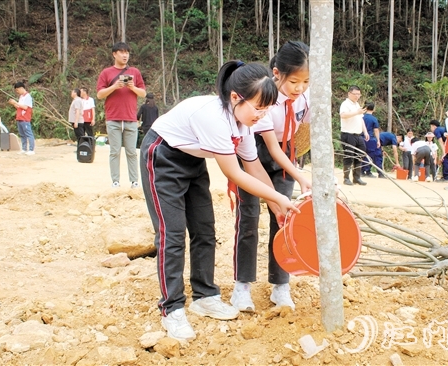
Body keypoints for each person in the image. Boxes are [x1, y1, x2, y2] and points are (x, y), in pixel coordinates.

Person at [140, 60, 300, 342]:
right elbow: (235, 172)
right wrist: (275, 197)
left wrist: (278, 207)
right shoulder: (213, 116)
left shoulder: (244, 123)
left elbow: (255, 168)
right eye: (258, 109)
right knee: (172, 234)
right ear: (236, 97)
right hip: (162, 157)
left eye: (266, 110)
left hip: (193, 161)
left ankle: (204, 296)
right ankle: (172, 309)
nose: (262, 117)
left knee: (205, 230)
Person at [231, 41, 312, 313]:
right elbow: (271, 149)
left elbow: (305, 134)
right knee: (249, 218)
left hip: (287, 156)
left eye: (305, 81)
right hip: (256, 152)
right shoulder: (264, 99)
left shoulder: (306, 98)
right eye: (294, 82)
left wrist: (299, 170)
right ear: (277, 73)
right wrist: (299, 176)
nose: (299, 88)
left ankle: (281, 285)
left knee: (284, 218)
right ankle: (242, 286)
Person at [97, 42, 146, 189]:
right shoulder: (106, 73)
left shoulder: (135, 72)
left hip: (131, 118)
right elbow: (99, 94)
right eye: (122, 52)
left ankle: (134, 181)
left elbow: (143, 93)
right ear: (114, 54)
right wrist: (114, 86)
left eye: (127, 52)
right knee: (115, 151)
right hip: (113, 118)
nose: (125, 55)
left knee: (132, 152)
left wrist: (132, 87)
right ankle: (115, 181)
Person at [340, 85, 369, 186]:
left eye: (358, 94)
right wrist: (356, 112)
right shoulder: (345, 104)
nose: (357, 96)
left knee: (360, 155)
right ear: (349, 94)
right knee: (349, 156)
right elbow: (343, 115)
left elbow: (361, 119)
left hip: (358, 134)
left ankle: (357, 177)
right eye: (355, 94)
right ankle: (346, 178)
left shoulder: (357, 105)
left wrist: (365, 132)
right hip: (348, 134)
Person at [8, 81, 35, 155]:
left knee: (28, 134)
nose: (17, 92)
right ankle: (24, 148)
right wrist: (13, 103)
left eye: (17, 90)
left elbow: (25, 107)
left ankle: (31, 149)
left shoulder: (28, 96)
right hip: (19, 117)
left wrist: (16, 102)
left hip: (25, 118)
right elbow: (19, 107)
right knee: (22, 134)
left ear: (21, 88)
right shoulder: (21, 97)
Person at [361, 101, 380, 177]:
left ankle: (361, 170)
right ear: (373, 109)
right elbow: (376, 130)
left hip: (361, 137)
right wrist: (378, 140)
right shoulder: (374, 119)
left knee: (361, 154)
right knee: (370, 155)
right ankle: (368, 171)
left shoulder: (361, 117)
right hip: (370, 139)